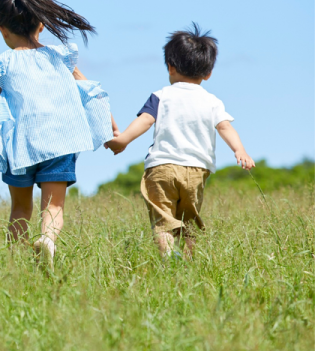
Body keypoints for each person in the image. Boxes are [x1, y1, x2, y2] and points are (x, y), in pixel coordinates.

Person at [0, 0, 117, 270]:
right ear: (41, 24)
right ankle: (47, 241)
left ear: (3, 30)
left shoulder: (2, 63)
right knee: (53, 207)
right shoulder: (61, 56)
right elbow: (90, 90)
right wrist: (111, 126)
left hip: (20, 146)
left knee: (19, 209)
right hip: (60, 141)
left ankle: (15, 264)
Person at [106, 24, 254, 259]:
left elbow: (145, 121)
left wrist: (122, 140)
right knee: (190, 220)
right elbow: (225, 126)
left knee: (163, 219)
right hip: (196, 169)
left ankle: (167, 260)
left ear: (170, 67)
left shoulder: (161, 95)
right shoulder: (212, 101)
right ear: (208, 73)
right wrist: (240, 150)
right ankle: (189, 263)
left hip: (162, 167)